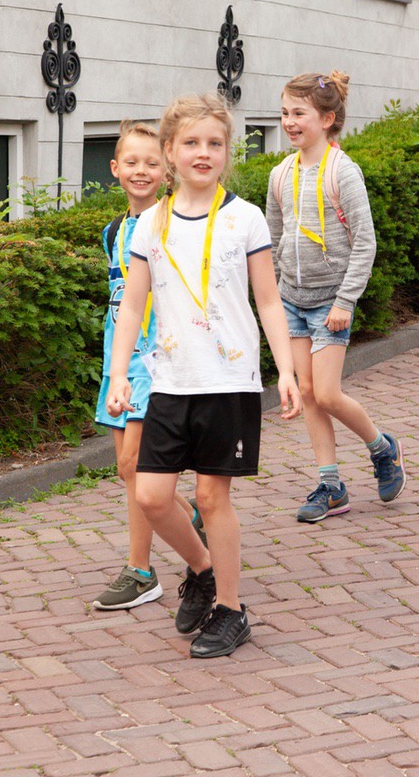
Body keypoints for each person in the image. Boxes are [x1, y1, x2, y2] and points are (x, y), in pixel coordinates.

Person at [107, 93, 302, 657]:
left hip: (229, 381)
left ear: (226, 153)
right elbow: (133, 306)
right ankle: (202, 568)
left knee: (213, 499)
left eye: (215, 143)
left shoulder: (245, 218)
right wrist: (119, 375)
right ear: (169, 151)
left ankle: (232, 611)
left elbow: (268, 301)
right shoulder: (150, 223)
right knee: (151, 495)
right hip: (169, 381)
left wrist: (286, 371)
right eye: (191, 142)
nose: (203, 152)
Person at [266, 70, 406, 524]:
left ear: (327, 119)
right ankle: (330, 486)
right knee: (308, 392)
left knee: (326, 393)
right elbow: (273, 238)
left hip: (330, 301)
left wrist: (346, 301)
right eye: (285, 113)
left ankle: (382, 448)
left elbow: (365, 242)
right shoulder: (279, 174)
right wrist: (274, 293)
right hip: (292, 299)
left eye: (299, 113)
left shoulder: (343, 172)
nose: (289, 122)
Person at [91, 120, 199, 612]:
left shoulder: (171, 224)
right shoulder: (113, 231)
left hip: (156, 364)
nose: (141, 170)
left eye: (151, 163)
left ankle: (140, 571)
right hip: (119, 363)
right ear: (115, 168)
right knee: (126, 469)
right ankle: (188, 517)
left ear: (166, 170)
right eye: (131, 162)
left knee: (136, 466)